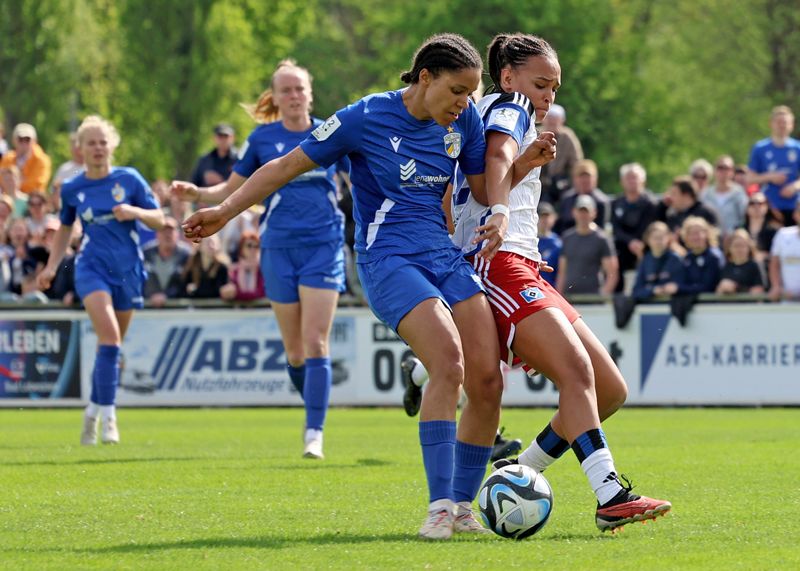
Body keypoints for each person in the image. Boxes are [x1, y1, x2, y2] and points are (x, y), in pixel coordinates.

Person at [181, 34, 556, 539]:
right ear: (425, 78)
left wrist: (524, 166)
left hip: (443, 254)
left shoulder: (463, 120)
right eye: (457, 92)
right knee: (448, 361)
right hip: (387, 258)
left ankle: (464, 508)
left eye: (471, 94)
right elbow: (285, 166)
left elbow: (485, 188)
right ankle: (439, 507)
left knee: (487, 381)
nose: (466, 104)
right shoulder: (365, 117)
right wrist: (225, 211)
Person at [449, 32, 670, 533]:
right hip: (498, 261)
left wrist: (520, 171)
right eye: (540, 83)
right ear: (508, 77)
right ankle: (610, 494)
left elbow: (495, 168)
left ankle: (521, 470)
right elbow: (498, 157)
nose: (548, 95)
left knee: (608, 389)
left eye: (555, 86)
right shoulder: (510, 107)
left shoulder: (500, 109)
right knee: (576, 375)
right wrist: (503, 207)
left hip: (523, 264)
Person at [172, 60, 351, 462]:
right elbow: (232, 190)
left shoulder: (332, 133)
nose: (293, 96)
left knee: (315, 340)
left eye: (299, 89)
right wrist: (198, 194)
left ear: (310, 93)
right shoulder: (262, 138)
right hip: (278, 248)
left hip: (323, 245)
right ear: (275, 97)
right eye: (285, 90)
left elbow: (361, 180)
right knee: (295, 352)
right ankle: (313, 407)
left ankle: (314, 432)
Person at [37, 115, 164, 445]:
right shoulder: (72, 188)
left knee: (112, 348)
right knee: (108, 338)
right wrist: (51, 267)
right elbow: (65, 228)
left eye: (102, 142)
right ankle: (110, 419)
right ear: (80, 149)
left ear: (112, 145)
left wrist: (134, 212)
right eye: (90, 142)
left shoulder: (130, 179)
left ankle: (92, 410)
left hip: (128, 271)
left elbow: (161, 219)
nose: (97, 148)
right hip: (91, 268)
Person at [746, 106, 800, 226]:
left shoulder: (797, 148)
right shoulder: (760, 148)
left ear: (792, 125)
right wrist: (770, 177)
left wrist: (794, 186)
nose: (782, 126)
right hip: (768, 207)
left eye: (785, 122)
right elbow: (749, 178)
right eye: (779, 122)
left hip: (794, 207)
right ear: (771, 123)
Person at [610, 162, 658, 292]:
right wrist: (630, 241)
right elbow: (615, 229)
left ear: (643, 180)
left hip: (646, 248)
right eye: (628, 178)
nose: (632, 181)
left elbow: (651, 227)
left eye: (635, 177)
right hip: (622, 249)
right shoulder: (616, 203)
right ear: (622, 181)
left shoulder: (651, 203)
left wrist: (640, 243)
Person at [557, 194, 618, 296]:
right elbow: (562, 272)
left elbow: (612, 273)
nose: (583, 215)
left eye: (586, 211)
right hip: (570, 298)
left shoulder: (602, 238)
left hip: (593, 299)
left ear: (594, 213)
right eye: (580, 211)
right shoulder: (567, 237)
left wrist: (602, 295)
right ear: (573, 212)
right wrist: (559, 296)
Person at [538, 103, 584, 205]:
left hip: (561, 182)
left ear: (561, 121)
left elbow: (577, 163)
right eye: (549, 118)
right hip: (538, 180)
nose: (551, 121)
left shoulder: (568, 137)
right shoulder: (536, 133)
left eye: (555, 118)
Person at [142, 216, 191, 307]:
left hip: (178, 308)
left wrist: (167, 296)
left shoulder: (187, 255)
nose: (167, 235)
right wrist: (152, 294)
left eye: (171, 231)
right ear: (157, 234)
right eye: (163, 230)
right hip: (149, 308)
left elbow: (188, 282)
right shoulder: (146, 253)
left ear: (178, 234)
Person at [631, 221, 684, 301]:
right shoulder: (645, 261)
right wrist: (653, 291)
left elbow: (682, 285)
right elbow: (636, 291)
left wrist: (671, 288)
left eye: (661, 238)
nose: (658, 242)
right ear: (647, 239)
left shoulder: (676, 259)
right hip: (651, 306)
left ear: (668, 238)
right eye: (655, 238)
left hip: (671, 304)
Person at [556, 159, 610, 234]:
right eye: (581, 176)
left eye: (588, 176)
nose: (584, 180)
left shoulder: (601, 202)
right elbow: (560, 226)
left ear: (595, 179)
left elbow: (602, 230)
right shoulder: (566, 199)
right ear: (574, 179)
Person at [700, 155, 748, 237]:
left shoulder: (739, 193)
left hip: (732, 239)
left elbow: (744, 217)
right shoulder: (706, 193)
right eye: (720, 168)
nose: (723, 171)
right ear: (714, 170)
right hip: (710, 238)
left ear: (732, 172)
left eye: (727, 168)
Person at [0, 123, 52, 194]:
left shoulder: (42, 160)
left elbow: (37, 184)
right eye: (20, 139)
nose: (24, 143)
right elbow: (1, 180)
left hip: (33, 203)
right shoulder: (7, 158)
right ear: (14, 140)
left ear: (35, 141)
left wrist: (14, 185)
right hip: (9, 201)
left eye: (27, 139)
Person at [677, 216, 723, 295]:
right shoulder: (686, 258)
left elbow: (708, 287)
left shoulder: (714, 257)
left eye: (698, 233)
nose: (695, 237)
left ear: (707, 234)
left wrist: (679, 289)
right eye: (691, 234)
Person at [220, 231, 266, 301]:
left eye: (256, 246)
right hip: (238, 311)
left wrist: (237, 294)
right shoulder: (233, 270)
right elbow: (226, 294)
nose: (253, 249)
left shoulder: (263, 269)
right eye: (249, 245)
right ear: (241, 248)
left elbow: (260, 293)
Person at [716, 229, 765, 295]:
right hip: (728, 304)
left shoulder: (754, 266)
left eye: (743, 246)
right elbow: (718, 291)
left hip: (747, 304)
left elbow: (758, 290)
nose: (739, 249)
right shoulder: (725, 267)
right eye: (736, 246)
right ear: (729, 248)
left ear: (749, 247)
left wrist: (736, 287)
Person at [768, 201, 800, 301]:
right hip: (787, 299)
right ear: (795, 214)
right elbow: (774, 264)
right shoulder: (782, 234)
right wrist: (776, 286)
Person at [536, 201, 561, 286]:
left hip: (552, 288)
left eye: (548, 216)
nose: (545, 220)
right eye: (542, 216)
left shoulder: (558, 243)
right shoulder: (529, 241)